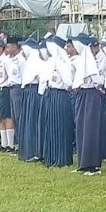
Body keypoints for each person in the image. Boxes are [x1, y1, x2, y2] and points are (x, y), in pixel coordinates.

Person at [69, 34, 104, 175]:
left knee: (90, 128)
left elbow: (98, 79)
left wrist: (95, 82)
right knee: (81, 127)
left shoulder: (89, 61)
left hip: (90, 95)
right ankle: (83, 162)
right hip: (82, 94)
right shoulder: (81, 60)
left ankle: (92, 164)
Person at [40, 36, 75, 167]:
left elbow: (68, 82)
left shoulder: (63, 63)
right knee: (50, 125)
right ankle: (51, 156)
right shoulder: (51, 62)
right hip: (51, 94)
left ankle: (61, 157)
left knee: (60, 126)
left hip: (60, 95)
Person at [17, 38, 44, 162]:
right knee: (27, 120)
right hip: (28, 90)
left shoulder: (35, 58)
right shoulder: (29, 59)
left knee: (32, 121)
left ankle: (33, 150)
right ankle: (27, 150)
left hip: (33, 90)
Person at [0, 38, 13, 152]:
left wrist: (6, 86)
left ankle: (10, 144)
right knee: (0, 117)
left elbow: (10, 76)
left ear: (1, 48)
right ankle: (4, 143)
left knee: (6, 116)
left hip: (4, 89)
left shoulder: (6, 60)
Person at [5, 39, 26, 148]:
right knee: (14, 117)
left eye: (9, 46)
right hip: (12, 89)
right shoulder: (11, 60)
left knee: (19, 116)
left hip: (18, 89)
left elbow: (24, 76)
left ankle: (22, 142)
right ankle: (18, 141)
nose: (7, 49)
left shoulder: (21, 60)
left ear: (14, 47)